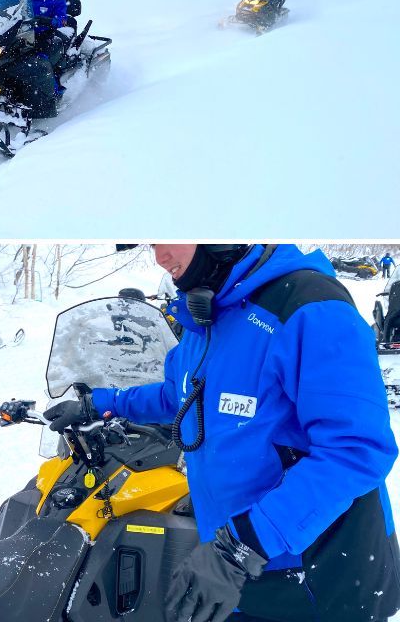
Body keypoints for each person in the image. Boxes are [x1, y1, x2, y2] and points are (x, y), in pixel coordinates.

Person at [45, 244, 400, 622]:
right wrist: (99, 403)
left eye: (169, 236)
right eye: (151, 242)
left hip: (318, 578)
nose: (159, 257)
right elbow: (178, 393)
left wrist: (241, 548)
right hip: (238, 561)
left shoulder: (308, 307)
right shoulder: (208, 314)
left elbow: (355, 451)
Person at [23, 0, 70, 113]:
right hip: (23, 32)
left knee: (42, 61)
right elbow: (3, 3)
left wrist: (50, 21)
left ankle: (54, 95)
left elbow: (63, 19)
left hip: (45, 34)